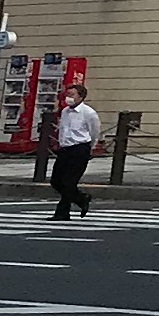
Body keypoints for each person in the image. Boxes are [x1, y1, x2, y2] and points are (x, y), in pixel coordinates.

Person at [49, 89, 101, 220]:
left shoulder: (88, 113)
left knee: (69, 181)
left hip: (80, 148)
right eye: (67, 95)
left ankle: (62, 212)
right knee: (56, 180)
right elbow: (63, 129)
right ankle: (81, 198)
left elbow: (94, 132)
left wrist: (91, 147)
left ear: (81, 97)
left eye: (72, 95)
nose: (69, 97)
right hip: (65, 148)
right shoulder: (65, 111)